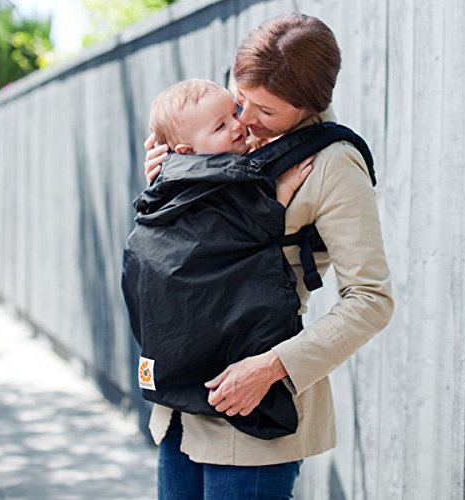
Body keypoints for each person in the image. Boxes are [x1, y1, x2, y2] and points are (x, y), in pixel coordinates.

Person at [143, 13, 394, 500]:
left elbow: (371, 298)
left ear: (308, 107)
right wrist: (165, 183)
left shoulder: (331, 164)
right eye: (240, 101)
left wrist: (271, 368)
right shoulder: (218, 136)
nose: (245, 121)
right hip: (181, 405)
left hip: (253, 410)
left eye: (266, 111)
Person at [148, 78, 313, 207]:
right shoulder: (208, 185)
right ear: (188, 151)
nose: (238, 124)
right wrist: (284, 190)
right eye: (220, 127)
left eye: (234, 114)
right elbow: (245, 224)